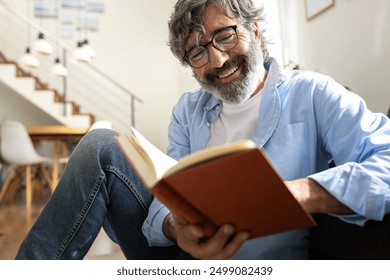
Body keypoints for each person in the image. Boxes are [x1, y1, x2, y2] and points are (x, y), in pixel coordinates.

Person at [16, 0, 390, 260]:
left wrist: (297, 194)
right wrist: (175, 229)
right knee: (101, 144)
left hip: (266, 263)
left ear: (255, 31)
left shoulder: (313, 93)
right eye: (197, 52)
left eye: (225, 35)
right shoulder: (188, 109)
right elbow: (166, 194)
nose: (217, 59)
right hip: (183, 257)